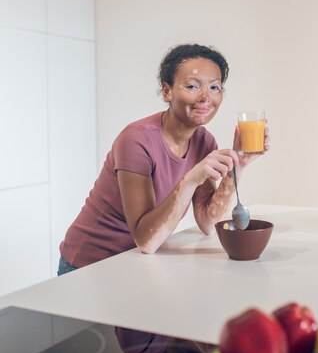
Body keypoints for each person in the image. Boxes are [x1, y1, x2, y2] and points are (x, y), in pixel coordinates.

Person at [58, 43, 269, 275]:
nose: (206, 97)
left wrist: (239, 164)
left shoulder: (204, 141)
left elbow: (208, 223)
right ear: (167, 91)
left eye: (215, 87)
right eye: (191, 86)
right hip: (90, 264)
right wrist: (190, 180)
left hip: (137, 261)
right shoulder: (136, 140)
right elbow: (146, 241)